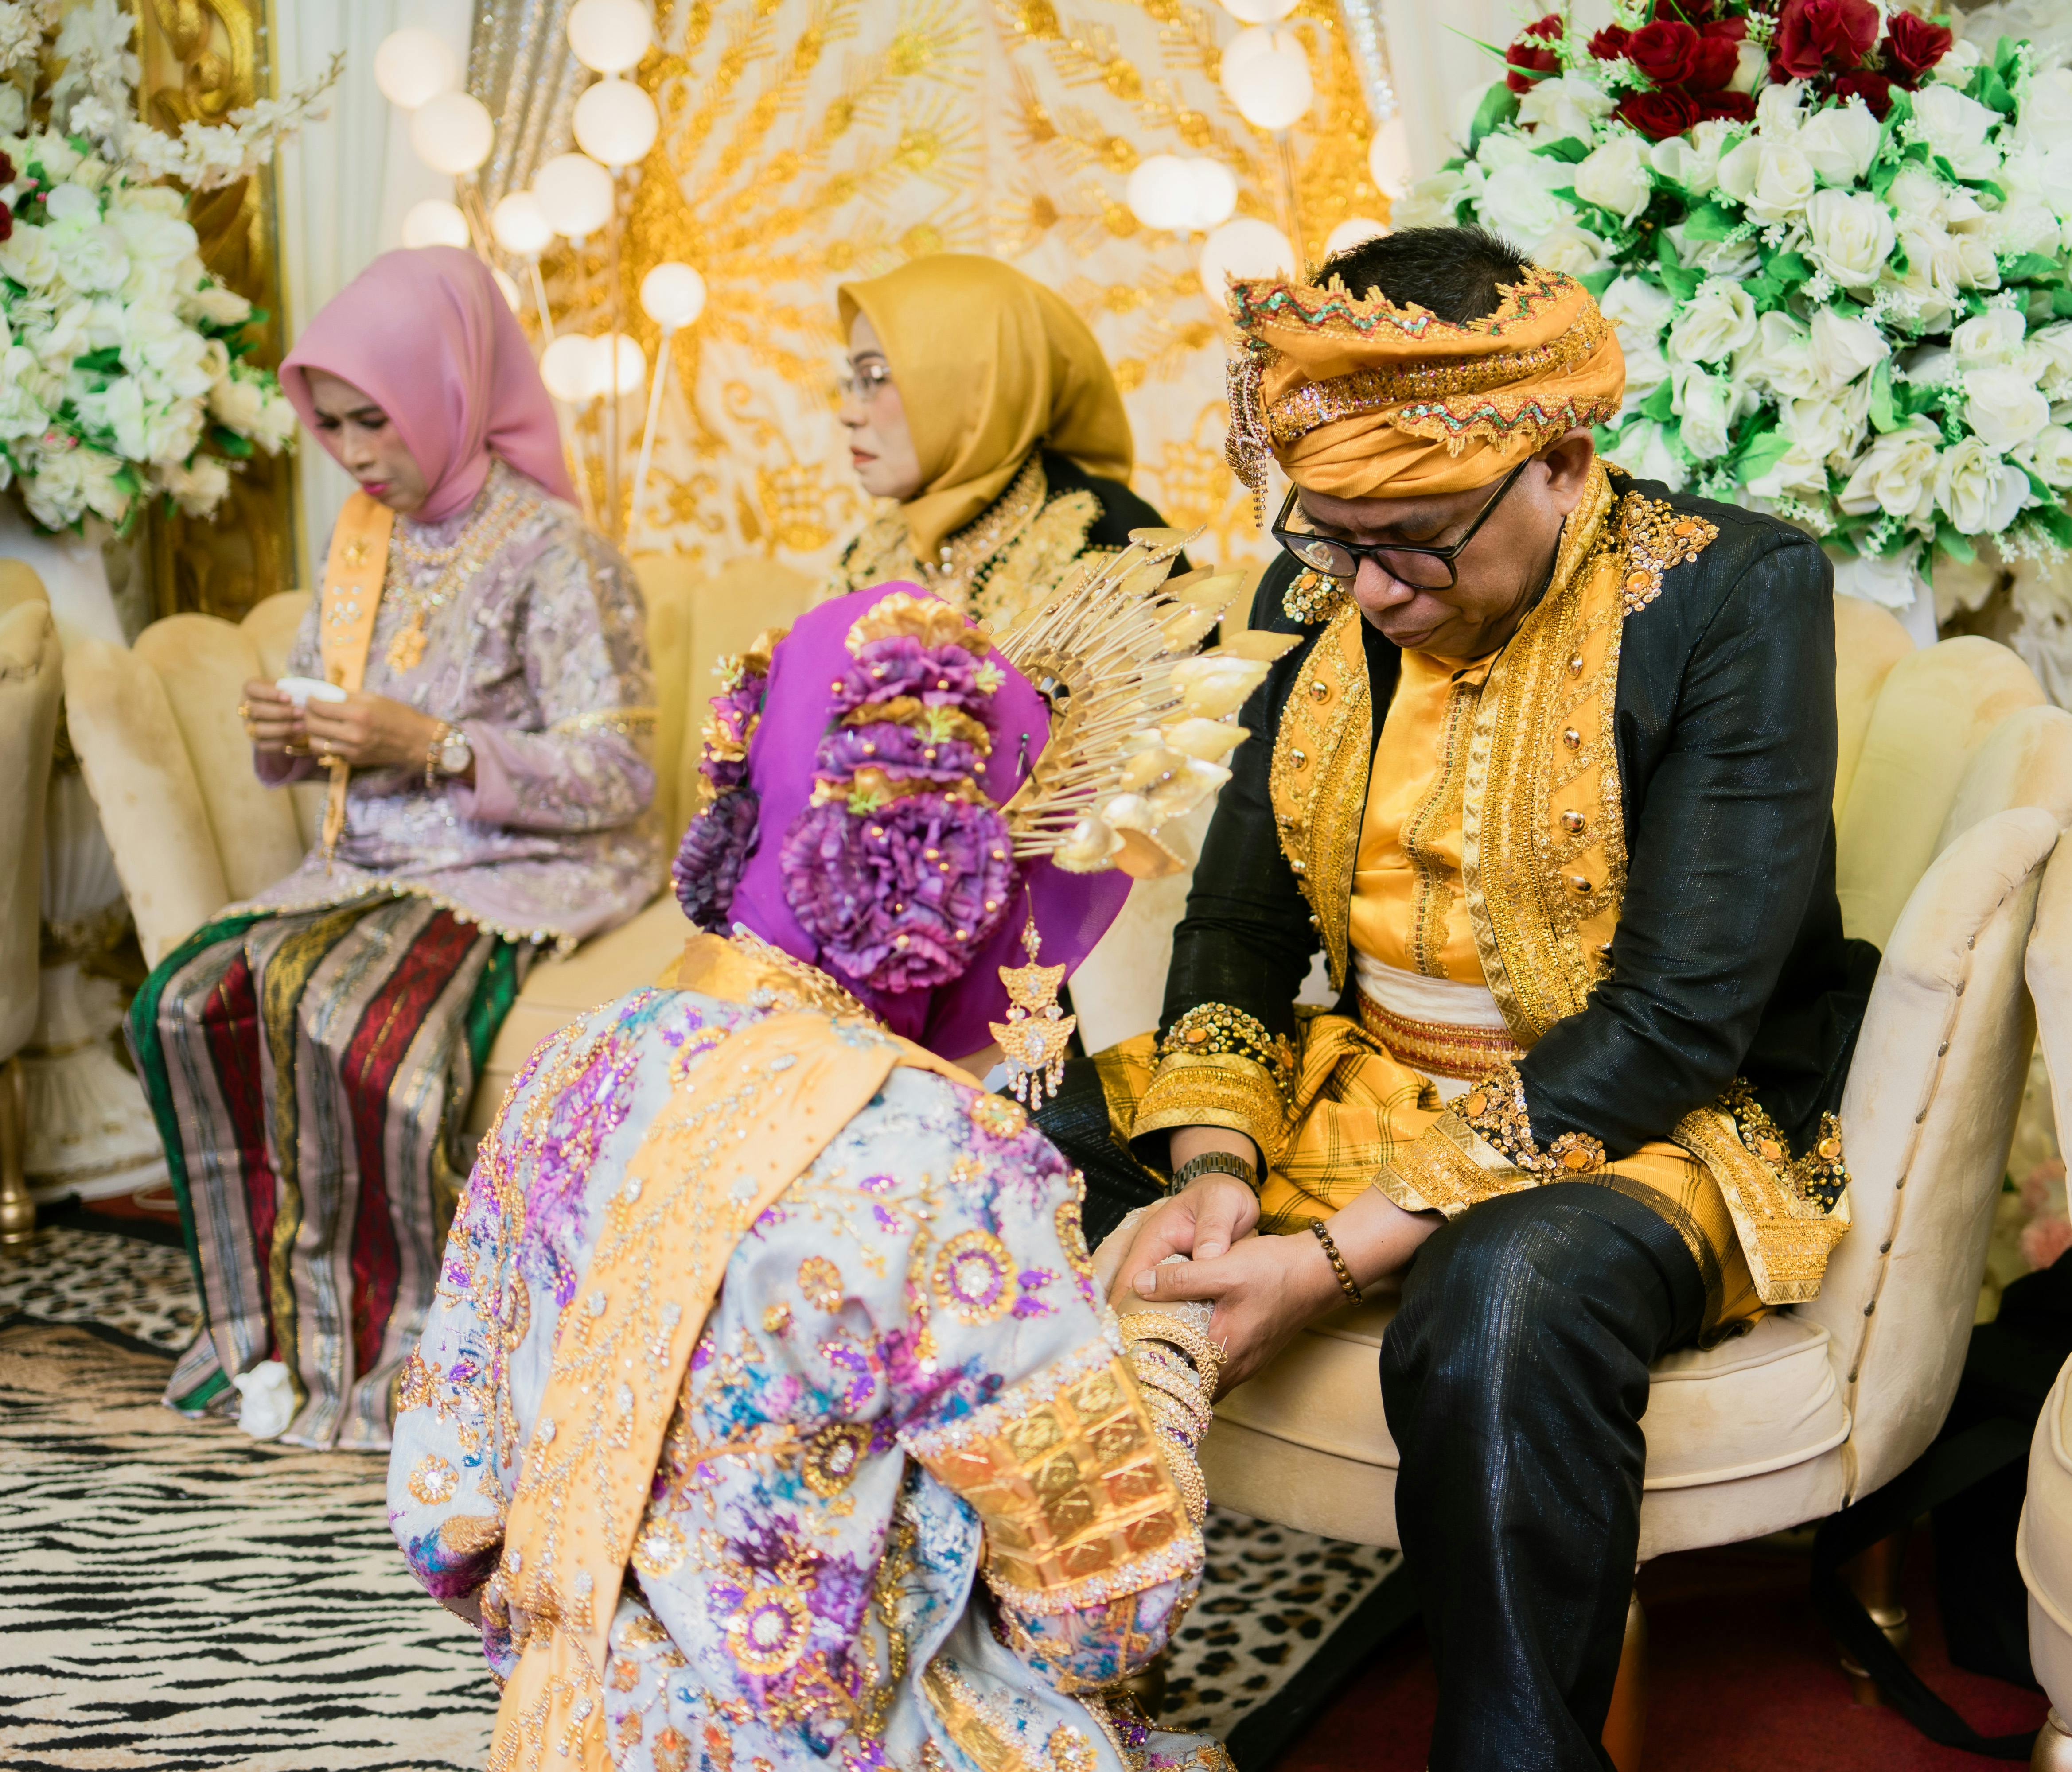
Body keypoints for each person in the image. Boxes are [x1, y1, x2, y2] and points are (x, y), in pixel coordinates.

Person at [1076, 228, 1880, 1770]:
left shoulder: (1734, 594)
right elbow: (1238, 918)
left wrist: (1322, 1263)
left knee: (1503, 1295)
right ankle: (1005, 1689)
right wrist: (1218, 1179)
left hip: (1655, 1118)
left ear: (1563, 463)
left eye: (1417, 542)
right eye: (1330, 540)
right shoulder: (1336, 590)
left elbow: (1672, 1025)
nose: (1371, 589)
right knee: (977, 1153)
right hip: (1372, 1073)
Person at [388, 580, 1231, 1772]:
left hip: (560, 1734)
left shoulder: (573, 1061)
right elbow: (1103, 1610)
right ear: (959, 875)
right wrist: (1159, 1351)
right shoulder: (939, 1155)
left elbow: (447, 1492)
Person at [127, 246, 660, 1451]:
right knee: (182, 999)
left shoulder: (555, 553)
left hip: (505, 865)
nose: (359, 456)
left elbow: (618, 774)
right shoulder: (364, 539)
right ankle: (266, 1338)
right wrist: (293, 727)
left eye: (377, 421)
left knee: (356, 1027)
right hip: (366, 855)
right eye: (334, 427)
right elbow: (335, 703)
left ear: (451, 390)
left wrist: (438, 745)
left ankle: (416, 1368)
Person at [824, 254, 1179, 630]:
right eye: (853, 380)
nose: (848, 413)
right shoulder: (870, 555)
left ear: (975, 385)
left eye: (874, 377)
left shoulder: (1113, 543)